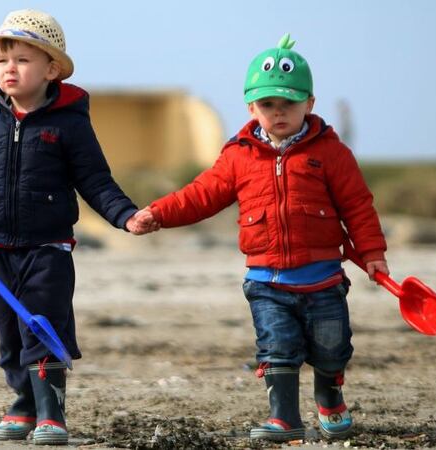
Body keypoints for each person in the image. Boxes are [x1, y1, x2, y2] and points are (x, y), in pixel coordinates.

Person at [0, 9, 152, 445]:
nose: (10, 68)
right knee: (10, 334)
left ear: (52, 69)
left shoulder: (70, 123)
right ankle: (24, 404)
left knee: (41, 326)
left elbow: (96, 181)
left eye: (23, 60)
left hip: (48, 249)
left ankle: (51, 412)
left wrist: (125, 215)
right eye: (3, 59)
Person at [138, 34, 389, 441]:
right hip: (266, 282)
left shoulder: (331, 153)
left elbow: (358, 206)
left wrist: (373, 252)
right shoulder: (239, 155)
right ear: (251, 107)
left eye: (288, 103)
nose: (278, 113)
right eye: (268, 105)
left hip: (323, 279)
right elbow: (201, 194)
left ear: (309, 103)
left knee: (332, 349)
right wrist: (158, 213)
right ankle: (285, 418)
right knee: (277, 348)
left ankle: (329, 394)